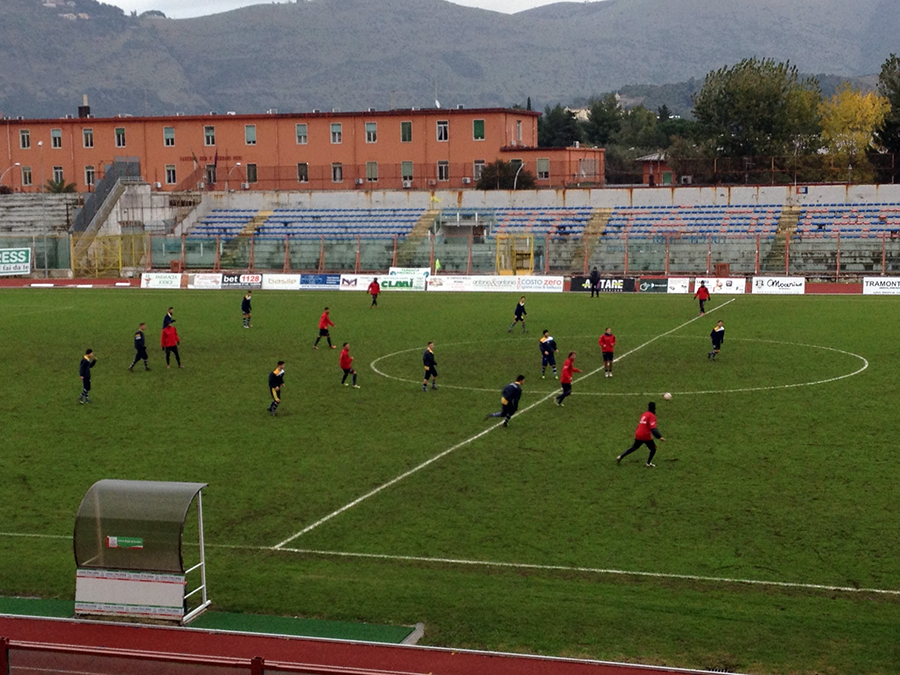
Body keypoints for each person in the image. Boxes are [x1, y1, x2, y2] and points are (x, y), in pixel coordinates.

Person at [617, 402, 667, 467]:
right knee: (653, 449)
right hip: (645, 435)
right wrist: (659, 437)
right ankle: (648, 463)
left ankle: (621, 456)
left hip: (638, 433)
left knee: (634, 447)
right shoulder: (652, 416)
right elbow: (653, 429)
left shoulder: (644, 414)